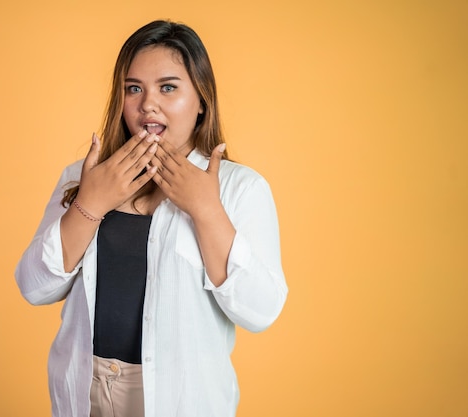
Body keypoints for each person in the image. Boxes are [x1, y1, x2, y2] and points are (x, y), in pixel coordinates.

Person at [15, 19, 288, 417]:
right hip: (83, 389)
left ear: (201, 102)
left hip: (178, 398)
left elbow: (261, 311)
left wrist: (207, 211)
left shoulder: (239, 188)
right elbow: (33, 286)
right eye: (134, 88)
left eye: (168, 87)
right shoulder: (83, 176)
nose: (147, 104)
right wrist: (91, 203)